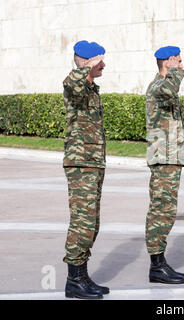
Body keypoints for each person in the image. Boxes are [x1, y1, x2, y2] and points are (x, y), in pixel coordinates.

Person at [62, 40, 109, 299]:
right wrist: (85, 66)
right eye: (99, 60)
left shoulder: (91, 89)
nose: (103, 65)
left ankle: (82, 276)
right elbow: (71, 82)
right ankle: (73, 281)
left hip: (92, 164)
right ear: (85, 62)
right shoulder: (74, 86)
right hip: (80, 165)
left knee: (91, 223)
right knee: (82, 222)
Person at [145, 46, 184, 284]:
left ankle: (159, 264)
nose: (182, 66)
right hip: (163, 158)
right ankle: (156, 266)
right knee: (161, 211)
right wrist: (176, 71)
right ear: (169, 62)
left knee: (166, 212)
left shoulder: (163, 85)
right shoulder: (159, 86)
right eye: (178, 61)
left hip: (169, 157)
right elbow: (171, 87)